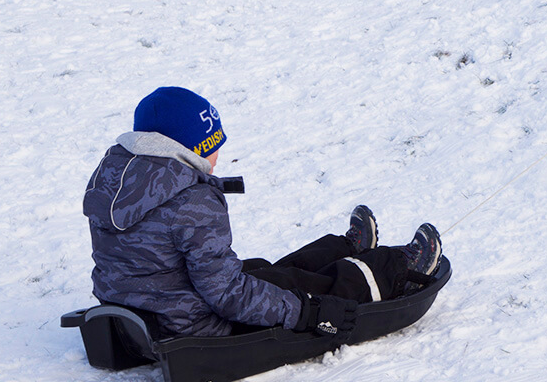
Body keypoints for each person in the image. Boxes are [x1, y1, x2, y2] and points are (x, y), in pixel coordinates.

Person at [83, 86, 443, 338]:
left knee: (261, 271)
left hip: (150, 307)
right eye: (212, 148)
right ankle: (396, 269)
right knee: (294, 289)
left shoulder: (116, 180)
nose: (217, 157)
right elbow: (228, 295)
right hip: (194, 323)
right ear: (186, 151)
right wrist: (306, 313)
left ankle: (346, 249)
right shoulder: (192, 202)